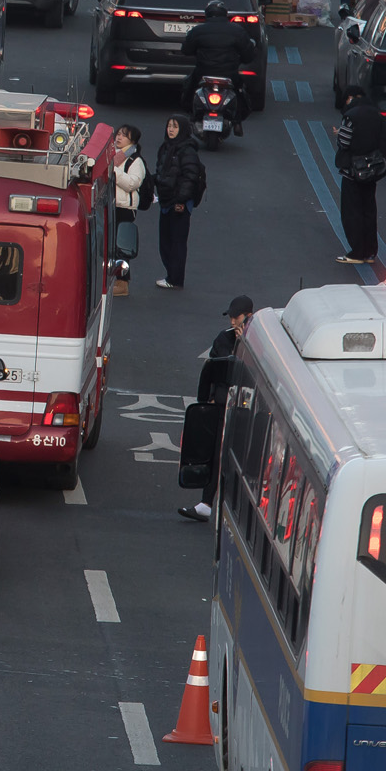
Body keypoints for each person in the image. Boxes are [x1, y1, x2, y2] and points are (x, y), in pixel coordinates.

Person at [178, 296, 254, 521]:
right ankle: (206, 504)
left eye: (236, 318)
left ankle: (238, 510)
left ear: (248, 316)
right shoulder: (224, 338)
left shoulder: (259, 343)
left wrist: (244, 346)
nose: (233, 322)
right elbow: (214, 369)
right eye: (231, 317)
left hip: (245, 410)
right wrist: (209, 399)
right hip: (221, 406)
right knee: (215, 454)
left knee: (242, 460)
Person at [181, 0, 256, 132]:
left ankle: (191, 116)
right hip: (229, 74)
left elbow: (186, 50)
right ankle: (237, 120)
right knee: (240, 91)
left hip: (203, 72)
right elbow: (248, 54)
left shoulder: (198, 30)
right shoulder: (237, 31)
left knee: (189, 87)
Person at [335, 85, 386, 264]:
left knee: (352, 212)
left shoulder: (351, 115)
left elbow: (344, 142)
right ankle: (370, 251)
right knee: (369, 211)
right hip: (371, 171)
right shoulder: (378, 115)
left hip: (352, 171)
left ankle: (356, 252)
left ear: (350, 98)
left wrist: (340, 134)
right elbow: (385, 142)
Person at [153, 115, 204, 289]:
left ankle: (175, 278)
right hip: (166, 201)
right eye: (169, 126)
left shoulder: (188, 151)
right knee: (165, 241)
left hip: (178, 203)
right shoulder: (166, 147)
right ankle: (171, 275)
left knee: (176, 242)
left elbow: (190, 177)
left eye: (175, 127)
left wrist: (181, 200)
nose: (171, 130)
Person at [110, 125, 145, 298]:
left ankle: (123, 283)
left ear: (133, 140)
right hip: (112, 205)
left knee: (122, 247)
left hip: (125, 208)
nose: (119, 138)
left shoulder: (135, 160)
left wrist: (113, 171)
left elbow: (133, 183)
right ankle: (112, 280)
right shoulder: (113, 155)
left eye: (124, 136)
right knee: (109, 245)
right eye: (118, 134)